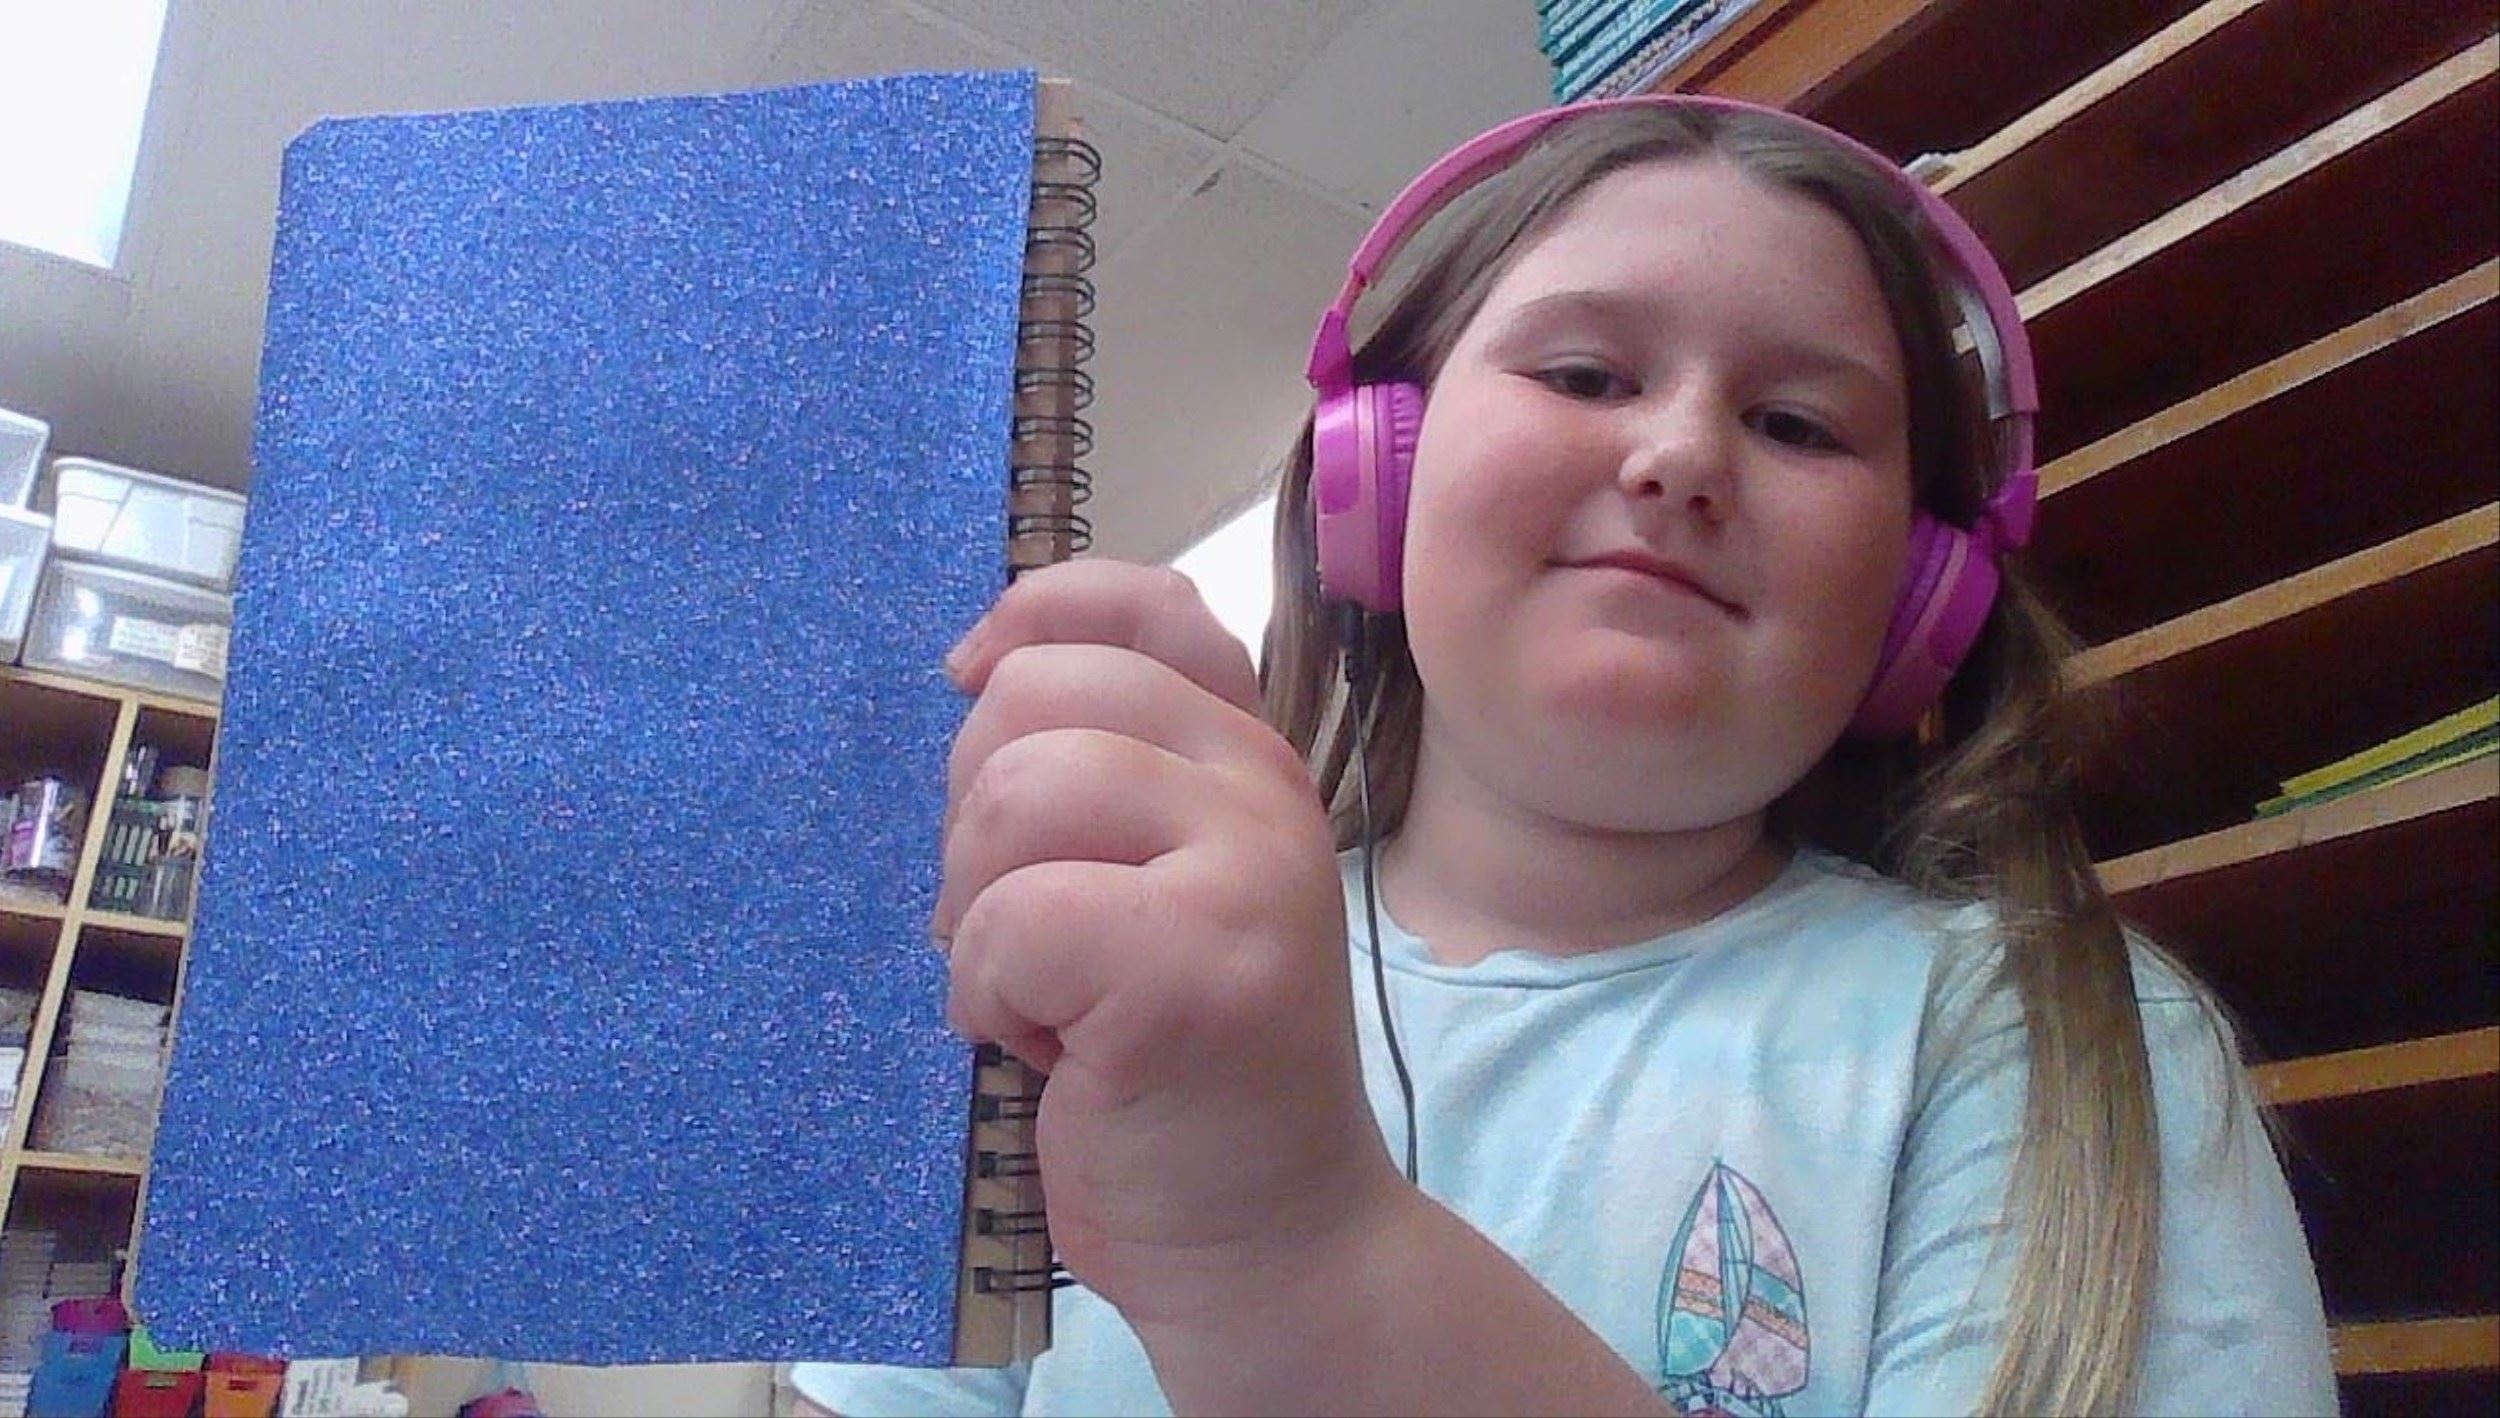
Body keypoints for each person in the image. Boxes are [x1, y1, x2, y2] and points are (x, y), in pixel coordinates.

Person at [795, 97, 2335, 1416]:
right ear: (1376, 479)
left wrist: (1299, 1257)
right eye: (1586, 376)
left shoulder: (2052, 1035)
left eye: (1798, 425)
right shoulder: (1088, 982)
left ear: (1920, 600)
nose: (1680, 456)